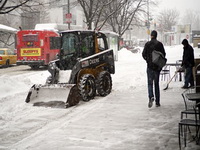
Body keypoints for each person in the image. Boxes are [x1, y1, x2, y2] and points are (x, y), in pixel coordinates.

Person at [142, 30, 166, 108]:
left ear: (151, 36)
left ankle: (151, 97)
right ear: (156, 36)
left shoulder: (147, 44)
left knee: (150, 83)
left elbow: (143, 54)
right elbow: (163, 54)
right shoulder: (159, 44)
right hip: (157, 67)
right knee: (156, 84)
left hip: (149, 67)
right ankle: (157, 102)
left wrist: (148, 60)